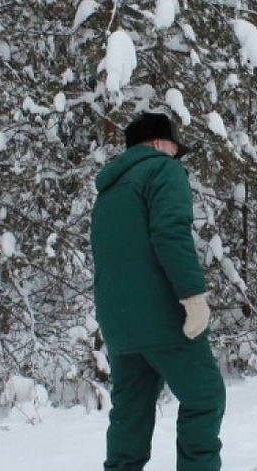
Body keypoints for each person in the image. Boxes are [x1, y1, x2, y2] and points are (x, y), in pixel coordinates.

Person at [91, 112, 226, 471]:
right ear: (156, 144)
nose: (176, 155)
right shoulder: (163, 171)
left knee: (130, 413)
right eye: (173, 147)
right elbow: (170, 234)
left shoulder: (108, 191)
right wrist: (192, 296)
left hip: (118, 321)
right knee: (204, 396)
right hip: (161, 315)